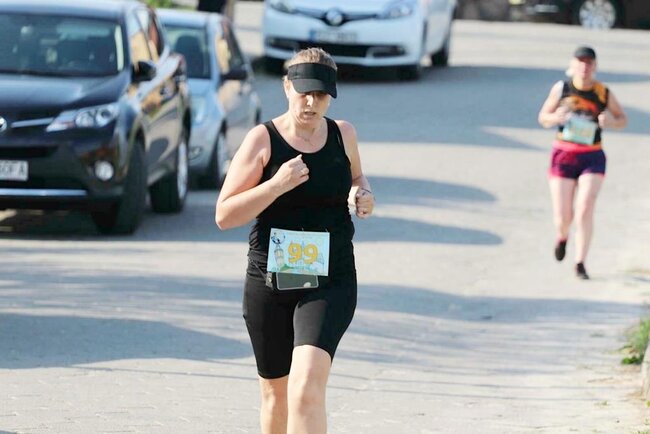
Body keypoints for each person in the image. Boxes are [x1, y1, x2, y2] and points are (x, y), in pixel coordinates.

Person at [215, 47, 374, 433]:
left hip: (330, 278)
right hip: (270, 280)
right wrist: (275, 185)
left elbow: (356, 177)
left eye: (320, 95)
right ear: (287, 87)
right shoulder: (263, 139)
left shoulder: (343, 135)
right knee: (276, 394)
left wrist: (362, 194)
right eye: (304, 92)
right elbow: (224, 215)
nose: (310, 103)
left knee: (304, 390)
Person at [538, 46, 627, 279]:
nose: (585, 67)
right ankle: (562, 236)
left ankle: (580, 262)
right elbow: (543, 117)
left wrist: (610, 122)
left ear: (595, 66)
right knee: (563, 217)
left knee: (585, 207)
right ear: (573, 65)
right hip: (564, 155)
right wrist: (554, 117)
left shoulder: (603, 92)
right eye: (580, 62)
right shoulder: (562, 89)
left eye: (589, 63)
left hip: (592, 156)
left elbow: (622, 119)